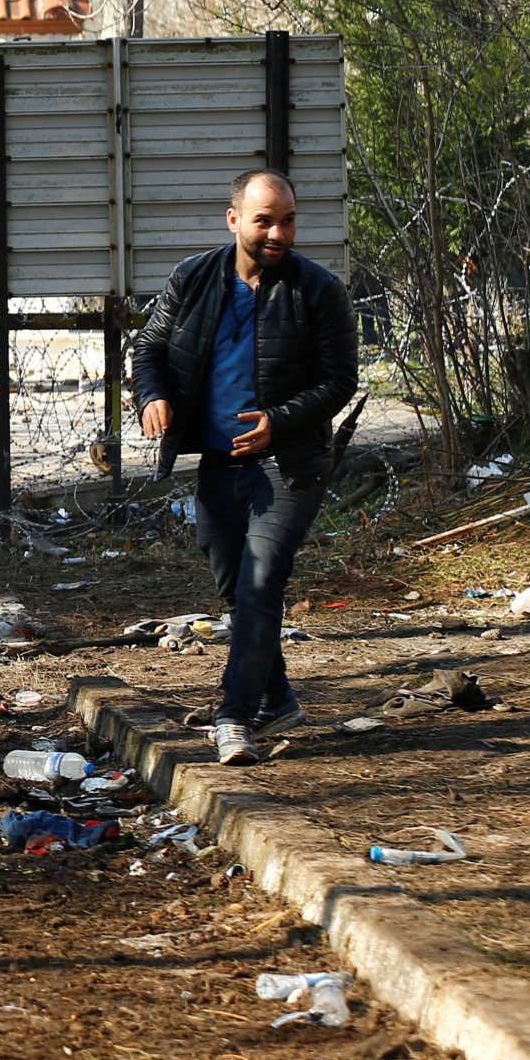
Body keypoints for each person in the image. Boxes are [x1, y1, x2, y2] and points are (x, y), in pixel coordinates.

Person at [131, 169, 357, 766]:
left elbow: (340, 381)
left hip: (288, 463)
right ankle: (277, 696)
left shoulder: (318, 290)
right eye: (264, 220)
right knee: (236, 585)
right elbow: (149, 347)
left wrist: (278, 421)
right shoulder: (193, 278)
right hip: (216, 461)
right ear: (234, 220)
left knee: (260, 585)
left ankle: (234, 718)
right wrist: (151, 395)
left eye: (287, 219)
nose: (278, 232)